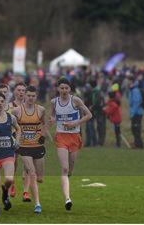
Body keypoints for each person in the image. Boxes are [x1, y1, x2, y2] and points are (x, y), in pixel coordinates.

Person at [49, 77, 92, 210]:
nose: (64, 90)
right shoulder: (54, 102)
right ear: (58, 89)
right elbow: (53, 116)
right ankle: (67, 199)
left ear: (70, 89)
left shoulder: (76, 100)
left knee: (71, 166)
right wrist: (52, 120)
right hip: (61, 136)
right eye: (61, 88)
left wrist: (75, 123)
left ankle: (69, 174)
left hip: (74, 136)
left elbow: (89, 115)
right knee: (64, 168)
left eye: (66, 88)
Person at [12, 85, 49, 214]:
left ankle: (34, 183)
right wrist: (15, 138)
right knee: (32, 173)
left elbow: (44, 124)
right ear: (25, 96)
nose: (31, 98)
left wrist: (43, 136)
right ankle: (37, 203)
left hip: (37, 146)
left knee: (39, 177)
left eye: (33, 96)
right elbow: (13, 127)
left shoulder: (41, 110)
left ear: (36, 97)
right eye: (28, 96)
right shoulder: (16, 111)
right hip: (24, 147)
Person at [128, 77, 144, 149]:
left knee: (136, 128)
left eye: (130, 82)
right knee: (134, 128)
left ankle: (138, 144)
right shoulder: (133, 90)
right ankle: (137, 143)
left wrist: (132, 113)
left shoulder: (135, 91)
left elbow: (136, 103)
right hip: (136, 112)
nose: (129, 83)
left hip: (137, 113)